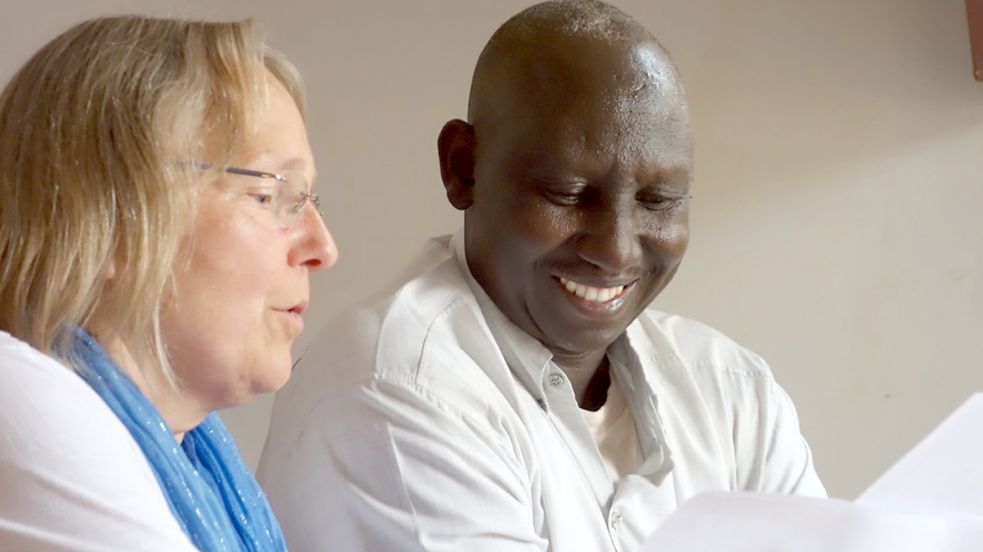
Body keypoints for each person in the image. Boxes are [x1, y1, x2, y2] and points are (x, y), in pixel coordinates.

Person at [259, 1, 824, 551]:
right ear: (463, 169)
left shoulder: (734, 393)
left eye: (659, 200)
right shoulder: (398, 386)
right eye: (569, 193)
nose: (617, 251)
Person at [0, 15, 336, 551]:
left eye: (307, 199)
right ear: (111, 218)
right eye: (271, 195)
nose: (323, 248)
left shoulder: (194, 462)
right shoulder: (15, 396)